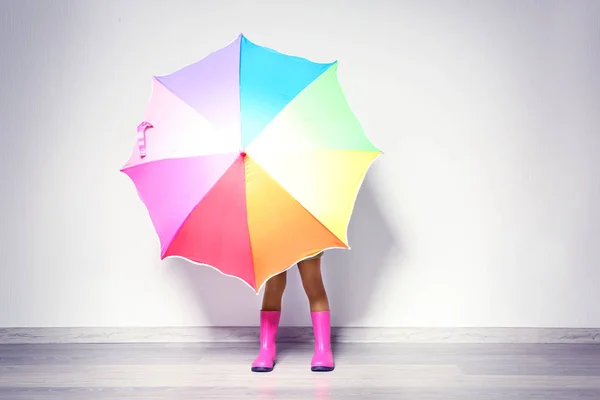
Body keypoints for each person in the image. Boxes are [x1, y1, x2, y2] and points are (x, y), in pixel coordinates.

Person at [251, 251, 334, 372]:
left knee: (313, 284)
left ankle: (324, 349)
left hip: (306, 236)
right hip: (273, 237)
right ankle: (266, 349)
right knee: (273, 287)